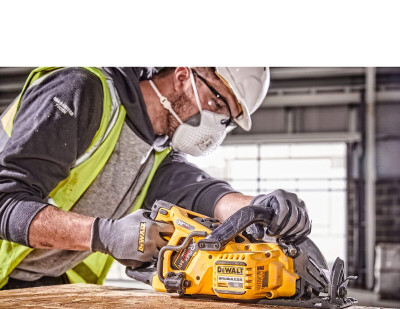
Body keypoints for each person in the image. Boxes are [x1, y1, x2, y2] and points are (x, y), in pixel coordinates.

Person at [0, 67, 311, 290]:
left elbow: (199, 192)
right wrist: (104, 235)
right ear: (183, 75)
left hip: (45, 284)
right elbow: (5, 201)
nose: (217, 125)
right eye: (217, 102)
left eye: (226, 120)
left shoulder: (156, 150)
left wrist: (258, 206)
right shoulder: (80, 90)